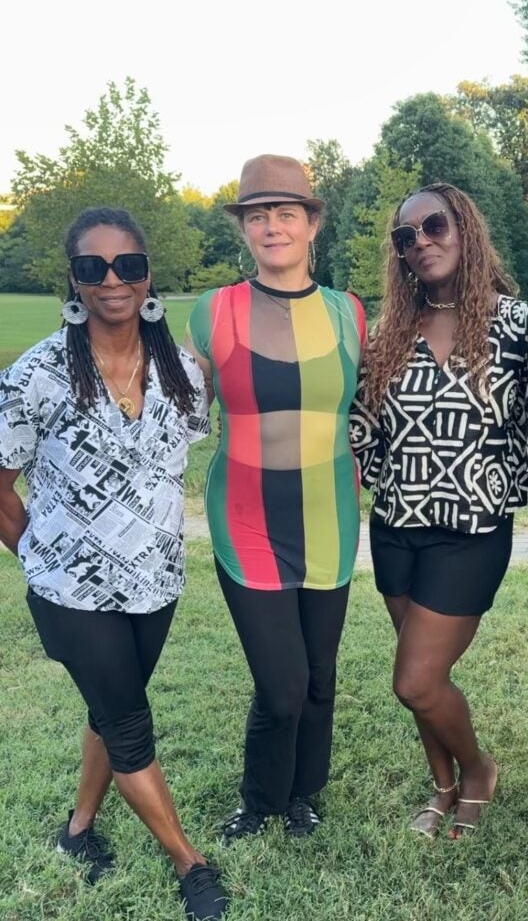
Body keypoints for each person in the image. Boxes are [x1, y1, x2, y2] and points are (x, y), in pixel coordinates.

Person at [0, 208, 227, 921]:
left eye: (126, 264)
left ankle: (77, 832)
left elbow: (174, 458)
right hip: (70, 591)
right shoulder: (36, 374)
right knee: (129, 723)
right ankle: (189, 866)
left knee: (109, 707)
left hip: (155, 581)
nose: (112, 280)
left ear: (147, 272)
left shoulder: (183, 373)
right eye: (93, 267)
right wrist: (43, 555)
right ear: (73, 278)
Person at [349, 182, 528, 839]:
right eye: (405, 237)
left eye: (433, 226)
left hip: (468, 534)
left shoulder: (518, 326)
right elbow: (359, 427)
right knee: (417, 668)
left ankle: (478, 769)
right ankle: (442, 786)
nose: (420, 242)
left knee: (415, 680)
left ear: (464, 230)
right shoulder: (384, 332)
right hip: (394, 530)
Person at [184, 154, 365, 842]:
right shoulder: (213, 310)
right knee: (283, 683)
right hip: (246, 518)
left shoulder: (348, 312)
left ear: (312, 222)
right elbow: (173, 401)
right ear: (243, 227)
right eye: (257, 215)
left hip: (331, 518)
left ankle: (301, 795)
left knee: (320, 677)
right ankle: (259, 801)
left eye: (285, 212)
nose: (271, 226)